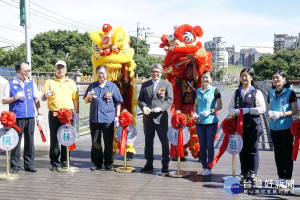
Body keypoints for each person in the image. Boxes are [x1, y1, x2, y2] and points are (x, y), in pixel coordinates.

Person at [2, 62, 42, 173]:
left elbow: (36, 99)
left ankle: (29, 164)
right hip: (16, 117)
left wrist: (39, 113)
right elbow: (4, 100)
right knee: (16, 141)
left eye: (28, 71)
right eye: (25, 71)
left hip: (30, 116)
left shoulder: (31, 83)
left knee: (30, 140)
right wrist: (15, 97)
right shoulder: (10, 84)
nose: (27, 73)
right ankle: (15, 166)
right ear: (18, 71)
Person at [228, 68, 266, 182]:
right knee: (242, 149)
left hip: (253, 125)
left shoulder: (256, 92)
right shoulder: (237, 92)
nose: (244, 78)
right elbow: (230, 106)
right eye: (242, 76)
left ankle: (253, 173)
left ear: (251, 77)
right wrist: (234, 111)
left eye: (246, 76)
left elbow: (262, 108)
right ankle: (244, 172)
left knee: (253, 149)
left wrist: (248, 110)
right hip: (240, 126)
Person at [42, 60, 79, 171]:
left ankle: (65, 160)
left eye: (62, 67)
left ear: (66, 69)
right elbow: (43, 98)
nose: (60, 69)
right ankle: (54, 161)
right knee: (54, 138)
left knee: (67, 137)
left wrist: (77, 113)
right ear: (55, 69)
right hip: (54, 113)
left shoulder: (71, 82)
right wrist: (46, 94)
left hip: (68, 114)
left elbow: (75, 99)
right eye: (58, 67)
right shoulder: (49, 82)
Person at [84, 65, 123, 171]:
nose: (101, 75)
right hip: (95, 118)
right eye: (99, 73)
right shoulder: (92, 86)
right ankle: (97, 163)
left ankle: (108, 162)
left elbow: (118, 102)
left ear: (107, 74)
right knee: (95, 142)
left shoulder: (112, 86)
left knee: (108, 142)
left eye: (103, 73)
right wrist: (89, 97)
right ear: (96, 74)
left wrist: (117, 117)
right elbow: (86, 101)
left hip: (108, 119)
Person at [138, 63, 173, 173]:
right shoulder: (145, 85)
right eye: (153, 71)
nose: (155, 73)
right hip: (148, 118)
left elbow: (169, 100)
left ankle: (165, 164)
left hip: (161, 118)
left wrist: (161, 108)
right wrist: (143, 107)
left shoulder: (167, 85)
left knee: (164, 142)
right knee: (148, 142)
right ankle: (149, 163)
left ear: (161, 73)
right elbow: (140, 100)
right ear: (150, 72)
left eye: (157, 72)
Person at [268, 69, 298, 188]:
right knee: (278, 152)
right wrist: (270, 113)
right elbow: (270, 108)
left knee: (287, 152)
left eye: (278, 77)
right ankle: (280, 177)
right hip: (273, 127)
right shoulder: (270, 93)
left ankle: (287, 178)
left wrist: (281, 114)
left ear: (284, 79)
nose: (275, 80)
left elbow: (295, 111)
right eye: (274, 78)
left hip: (286, 127)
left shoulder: (290, 93)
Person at [193, 70, 222, 176]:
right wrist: (194, 113)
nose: (205, 79)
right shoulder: (198, 91)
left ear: (211, 79)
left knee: (210, 145)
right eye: (203, 77)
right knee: (202, 145)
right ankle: (204, 166)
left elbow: (220, 106)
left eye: (207, 77)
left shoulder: (215, 90)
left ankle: (209, 168)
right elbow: (196, 105)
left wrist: (210, 111)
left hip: (211, 122)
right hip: (200, 122)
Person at [172, 55, 199, 162]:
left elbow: (196, 77)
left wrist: (193, 61)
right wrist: (176, 64)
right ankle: (180, 153)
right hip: (183, 108)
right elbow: (174, 75)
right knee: (181, 131)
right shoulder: (182, 81)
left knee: (194, 132)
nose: (188, 71)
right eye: (187, 69)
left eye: (190, 69)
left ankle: (199, 153)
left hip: (193, 108)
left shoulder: (196, 81)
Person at [112, 69, 135, 161]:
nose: (118, 74)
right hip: (113, 109)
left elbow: (126, 80)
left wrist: (126, 67)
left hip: (123, 109)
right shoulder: (110, 84)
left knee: (126, 130)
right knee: (113, 131)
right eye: (116, 72)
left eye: (120, 73)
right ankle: (112, 150)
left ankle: (128, 150)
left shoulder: (123, 84)